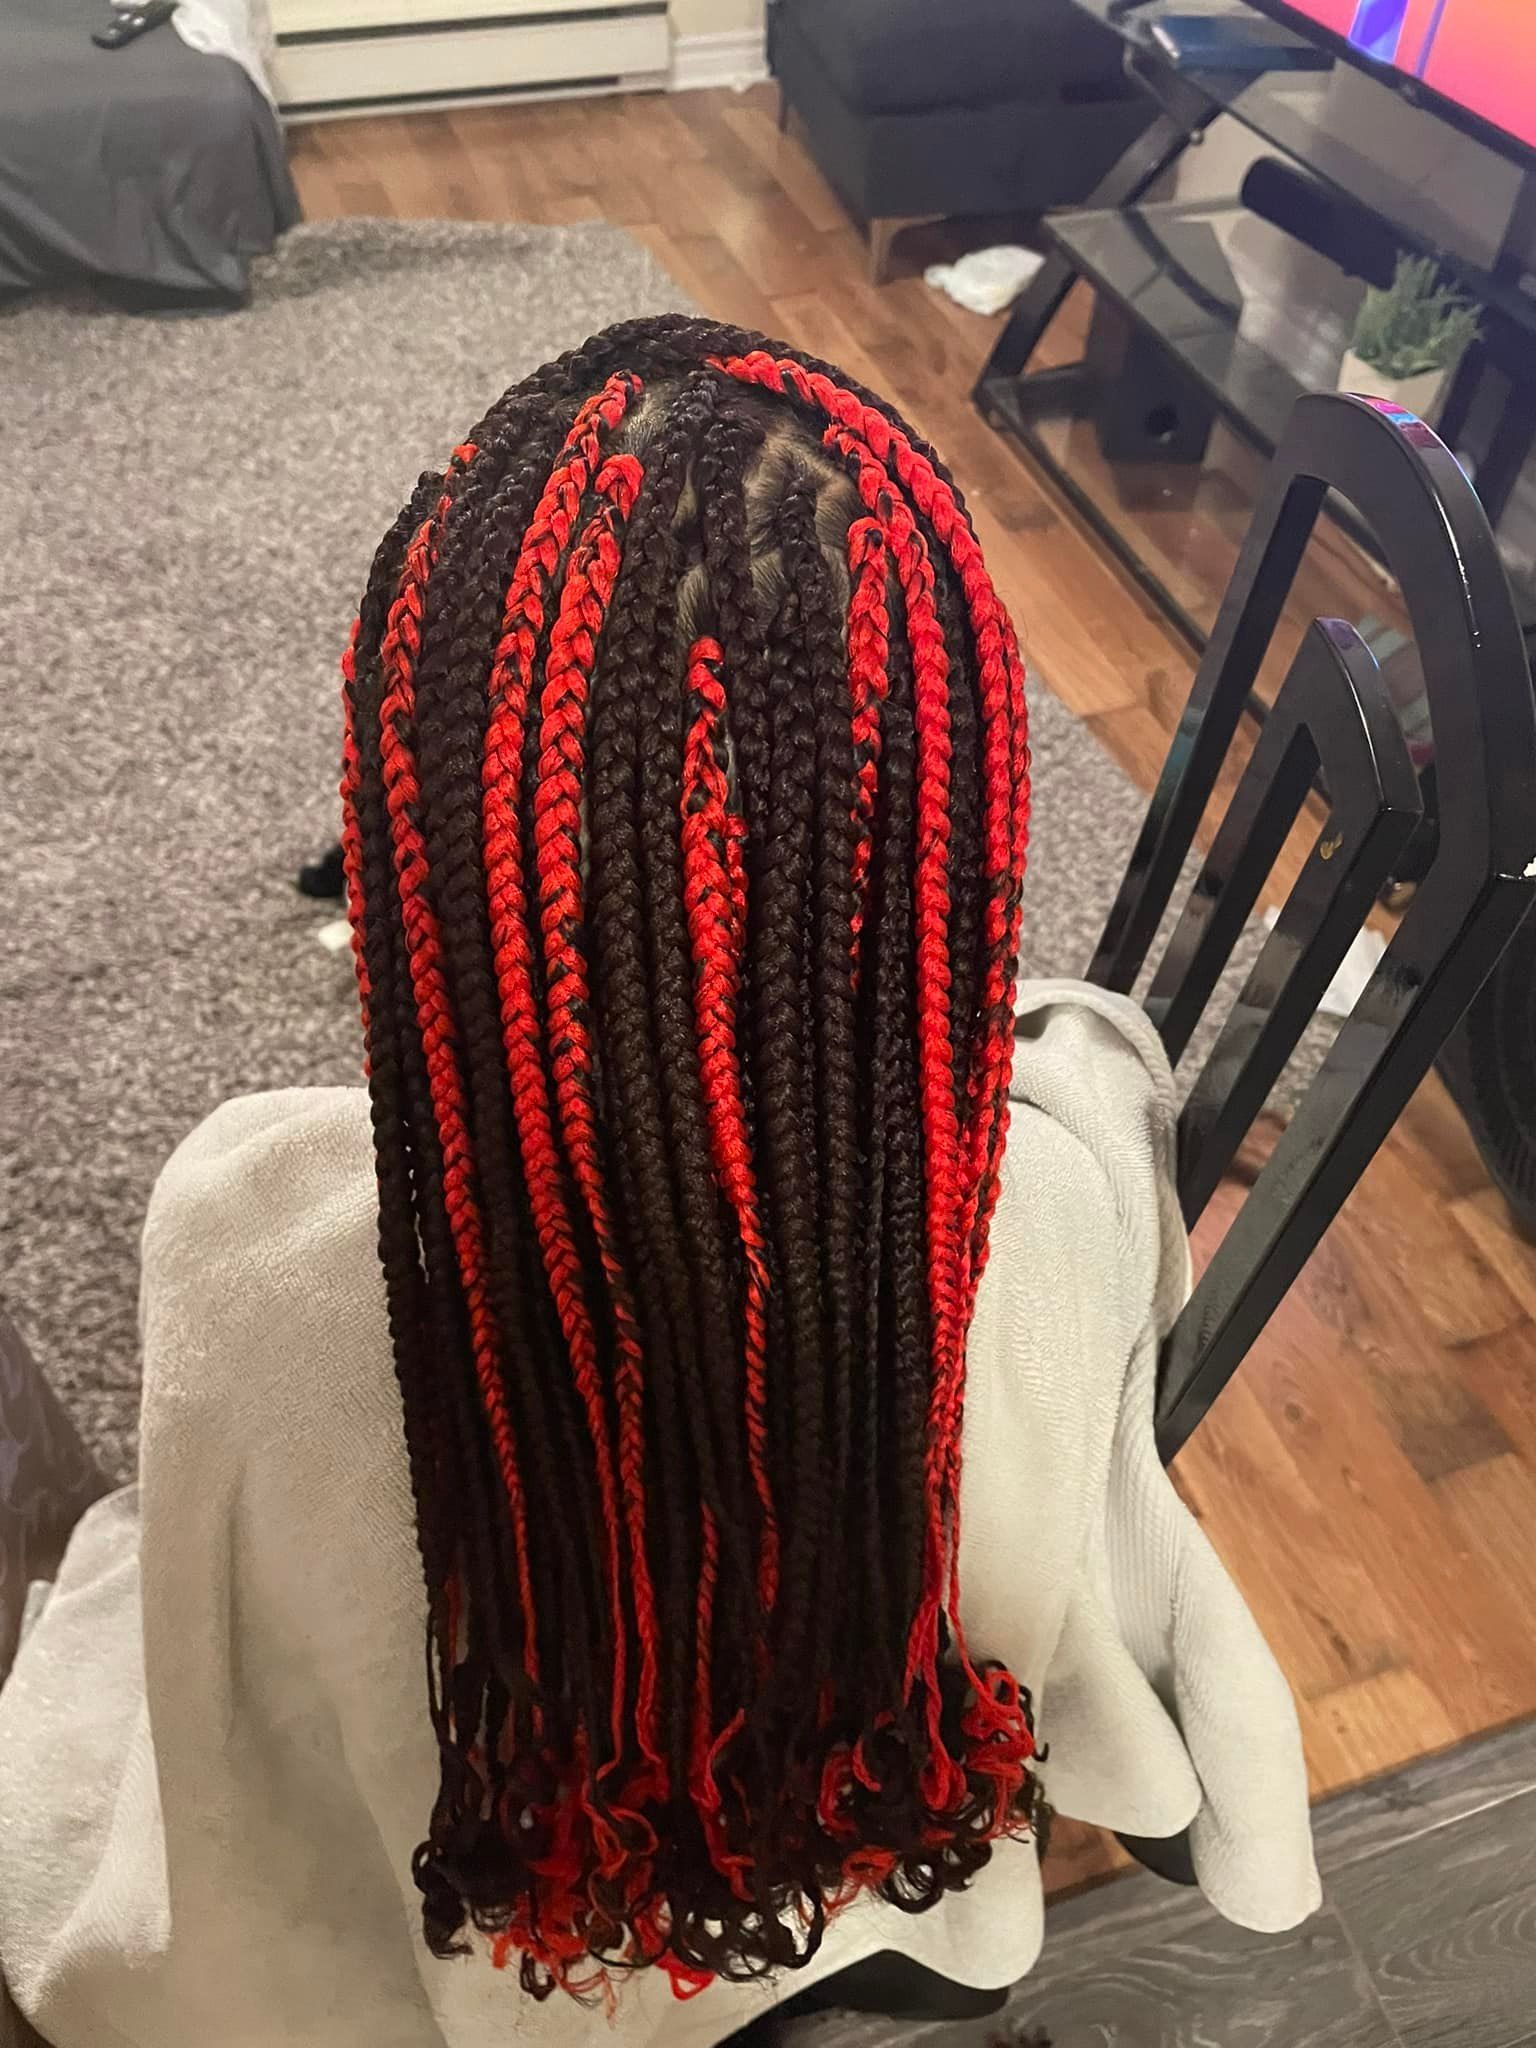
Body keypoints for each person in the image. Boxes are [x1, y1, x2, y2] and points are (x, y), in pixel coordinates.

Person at [0, 317, 1319, 2048]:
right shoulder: (1057, 1201)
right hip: (873, 1896)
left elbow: (229, 1705)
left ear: (430, 840)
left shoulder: (243, 1240)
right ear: (955, 826)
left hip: (471, 1956)